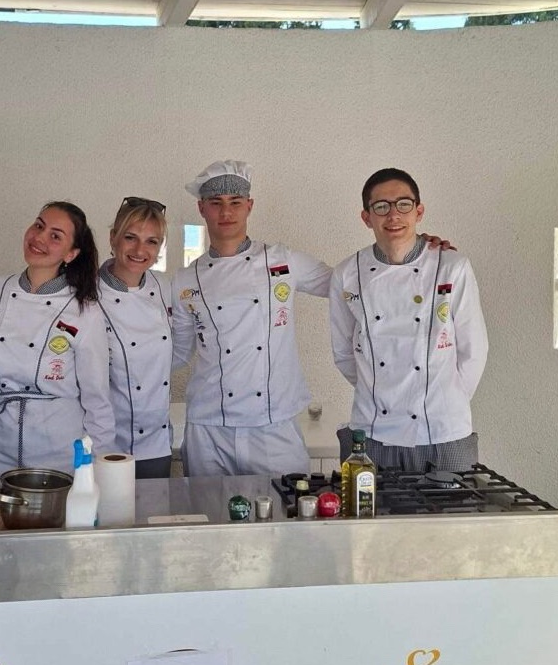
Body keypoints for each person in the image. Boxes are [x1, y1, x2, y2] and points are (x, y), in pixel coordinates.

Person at [171, 160, 334, 476]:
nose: (226, 212)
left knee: (284, 506)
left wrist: (415, 253)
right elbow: (177, 352)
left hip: (273, 422)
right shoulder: (185, 279)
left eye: (235, 202)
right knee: (208, 507)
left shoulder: (282, 260)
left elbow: (347, 283)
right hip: (208, 426)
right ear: (201, 208)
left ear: (249, 206)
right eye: (216, 203)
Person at [329, 168, 488, 474]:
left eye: (403, 204)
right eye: (381, 207)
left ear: (419, 211)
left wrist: (443, 399)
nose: (393, 215)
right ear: (366, 218)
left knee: (457, 507)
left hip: (444, 433)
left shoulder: (452, 267)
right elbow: (344, 353)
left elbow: (474, 350)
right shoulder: (347, 273)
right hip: (372, 433)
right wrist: (379, 389)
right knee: (369, 508)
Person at [0, 201, 116, 474]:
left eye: (55, 236)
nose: (39, 238)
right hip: (0, 448)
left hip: (58, 453)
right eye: (39, 226)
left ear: (71, 254)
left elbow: (97, 398)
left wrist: (98, 468)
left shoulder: (84, 310)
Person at [98, 197, 173, 479]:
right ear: (113, 238)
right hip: (105, 442)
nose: (140, 250)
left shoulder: (164, 287)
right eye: (130, 237)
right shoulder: (87, 294)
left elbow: (174, 353)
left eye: (152, 241)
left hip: (157, 442)